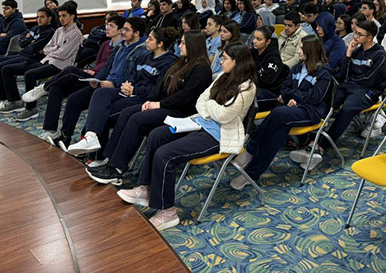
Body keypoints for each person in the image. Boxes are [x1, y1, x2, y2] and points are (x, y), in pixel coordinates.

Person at [115, 42, 256, 231]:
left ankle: (168, 212)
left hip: (219, 134)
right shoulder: (223, 76)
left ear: (237, 61)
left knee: (165, 154)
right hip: (200, 122)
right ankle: (146, 189)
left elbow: (223, 115)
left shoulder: (248, 88)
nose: (221, 61)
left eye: (225, 58)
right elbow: (201, 100)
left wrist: (210, 105)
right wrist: (211, 108)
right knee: (157, 135)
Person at [85, 30, 214, 185]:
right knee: (126, 113)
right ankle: (110, 160)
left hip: (181, 113)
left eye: (183, 43)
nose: (179, 46)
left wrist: (158, 104)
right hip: (165, 105)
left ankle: (117, 169)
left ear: (193, 45)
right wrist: (150, 100)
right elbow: (161, 85)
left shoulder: (202, 69)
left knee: (137, 119)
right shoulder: (181, 62)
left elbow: (186, 97)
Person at [232, 35, 333, 188]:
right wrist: (291, 97)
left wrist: (294, 98)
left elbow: (315, 97)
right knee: (277, 132)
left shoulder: (324, 72)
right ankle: (251, 174)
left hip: (311, 112)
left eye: (301, 48)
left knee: (278, 113)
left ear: (311, 51)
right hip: (291, 109)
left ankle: (250, 150)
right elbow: (284, 88)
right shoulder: (298, 67)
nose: (298, 51)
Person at [65, 26, 179, 155]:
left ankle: (103, 156)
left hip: (144, 98)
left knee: (104, 113)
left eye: (151, 39)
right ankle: (91, 136)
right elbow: (134, 75)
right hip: (131, 91)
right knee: (100, 93)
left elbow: (157, 90)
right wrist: (128, 84)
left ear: (160, 43)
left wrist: (134, 90)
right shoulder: (146, 56)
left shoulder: (169, 63)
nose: (146, 41)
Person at [295, 20, 386, 168]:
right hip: (350, 86)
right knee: (327, 98)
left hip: (368, 91)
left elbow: (371, 80)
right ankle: (310, 137)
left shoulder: (379, 55)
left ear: (370, 37)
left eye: (359, 34)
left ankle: (321, 146)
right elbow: (342, 74)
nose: (355, 36)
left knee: (347, 109)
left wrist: (350, 81)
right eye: (355, 33)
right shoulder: (356, 50)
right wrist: (348, 54)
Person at [40, 17, 146, 144]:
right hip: (104, 83)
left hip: (120, 88)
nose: (123, 32)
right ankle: (65, 136)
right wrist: (97, 78)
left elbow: (133, 76)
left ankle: (90, 142)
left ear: (136, 33)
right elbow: (106, 67)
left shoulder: (142, 51)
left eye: (126, 30)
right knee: (73, 99)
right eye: (123, 29)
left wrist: (113, 83)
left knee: (74, 74)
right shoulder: (120, 46)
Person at [0, 3, 84, 118]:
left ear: (72, 16)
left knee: (29, 74)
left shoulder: (76, 34)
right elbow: (46, 48)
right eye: (60, 16)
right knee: (6, 69)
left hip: (60, 66)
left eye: (64, 16)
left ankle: (31, 109)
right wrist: (55, 49)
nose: (61, 19)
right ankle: (15, 101)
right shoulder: (59, 30)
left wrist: (53, 50)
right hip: (46, 61)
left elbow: (63, 54)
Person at [0, 7, 55, 109]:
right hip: (22, 54)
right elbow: (21, 41)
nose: (39, 19)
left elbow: (34, 48)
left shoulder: (50, 31)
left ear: (49, 18)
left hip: (32, 58)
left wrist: (29, 41)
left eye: (42, 17)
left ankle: (12, 100)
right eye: (37, 17)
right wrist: (29, 41)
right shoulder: (35, 28)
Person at [251, 26, 288, 111]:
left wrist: (250, 78)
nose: (254, 41)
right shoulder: (252, 52)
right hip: (255, 86)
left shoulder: (274, 57)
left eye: (259, 39)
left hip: (270, 92)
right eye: (254, 38)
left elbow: (267, 80)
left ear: (268, 42)